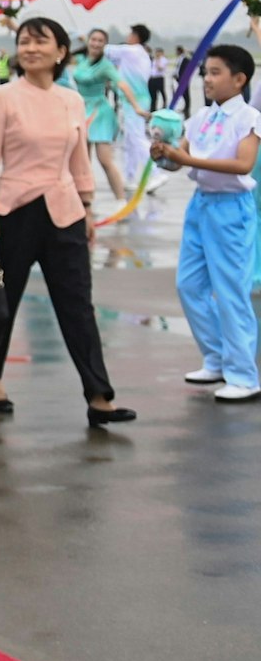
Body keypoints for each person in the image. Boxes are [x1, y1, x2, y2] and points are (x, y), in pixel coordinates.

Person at [0, 17, 134, 426]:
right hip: (13, 211)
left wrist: (87, 207)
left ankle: (99, 395)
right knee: (3, 303)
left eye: (39, 42)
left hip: (64, 211)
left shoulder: (71, 99)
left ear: (60, 52)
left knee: (77, 304)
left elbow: (80, 159)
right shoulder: (1, 96)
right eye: (23, 41)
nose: (29, 48)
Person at [155, 44, 261, 402]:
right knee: (189, 285)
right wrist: (163, 156)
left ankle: (244, 375)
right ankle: (216, 358)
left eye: (216, 72)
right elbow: (179, 161)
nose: (208, 79)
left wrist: (185, 157)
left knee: (231, 292)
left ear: (239, 78)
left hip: (232, 208)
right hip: (200, 206)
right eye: (206, 72)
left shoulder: (249, 118)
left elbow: (243, 164)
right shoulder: (200, 118)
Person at [67, 29, 147, 200]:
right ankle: (85, 200)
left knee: (105, 160)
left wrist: (136, 107)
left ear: (105, 45)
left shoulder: (105, 65)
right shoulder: (81, 59)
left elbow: (122, 84)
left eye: (100, 41)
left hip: (99, 112)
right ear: (87, 41)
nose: (96, 43)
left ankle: (120, 199)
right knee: (82, 162)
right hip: (81, 110)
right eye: (93, 39)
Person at [110, 24, 156, 178]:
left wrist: (86, 39)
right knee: (130, 141)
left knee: (137, 137)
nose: (128, 37)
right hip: (135, 99)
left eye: (130, 34)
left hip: (135, 101)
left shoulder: (132, 51)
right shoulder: (140, 53)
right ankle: (130, 177)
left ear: (136, 36)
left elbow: (104, 49)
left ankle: (156, 173)